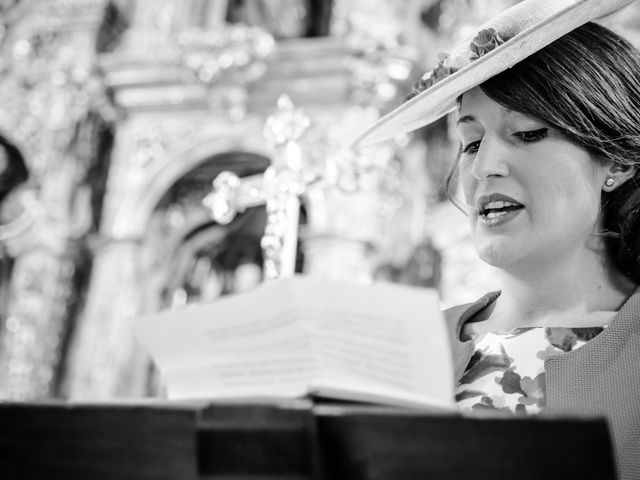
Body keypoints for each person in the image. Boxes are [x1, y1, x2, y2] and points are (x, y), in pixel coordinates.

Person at [352, 1, 640, 479]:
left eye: (527, 133)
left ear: (617, 161)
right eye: (470, 142)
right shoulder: (405, 346)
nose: (484, 166)